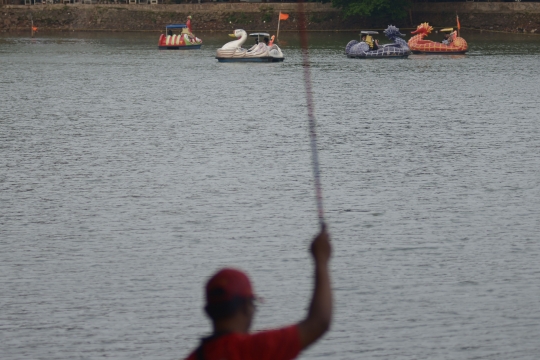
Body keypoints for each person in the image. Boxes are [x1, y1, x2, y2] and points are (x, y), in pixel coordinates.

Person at [183, 226, 332, 360]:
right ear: (246, 307)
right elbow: (319, 322)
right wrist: (321, 259)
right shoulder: (258, 348)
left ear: (208, 311)